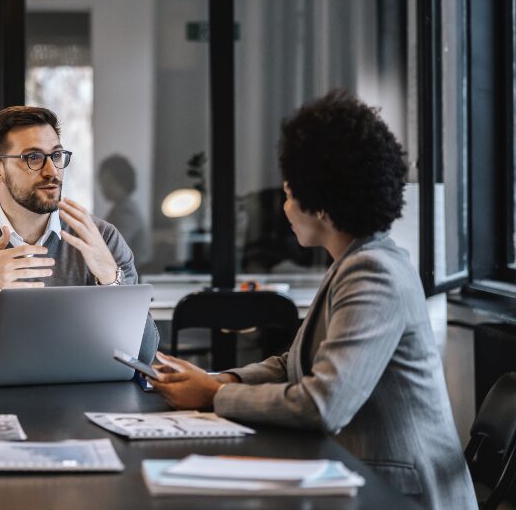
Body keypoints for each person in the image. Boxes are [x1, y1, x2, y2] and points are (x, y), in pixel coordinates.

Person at [147, 90, 476, 509]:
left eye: (289, 193)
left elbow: (324, 403)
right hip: (364, 478)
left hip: (403, 495)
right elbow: (294, 363)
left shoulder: (373, 272)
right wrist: (220, 380)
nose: (285, 208)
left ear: (320, 202)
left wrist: (212, 396)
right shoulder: (352, 262)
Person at [0, 106, 158, 368]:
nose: (52, 171)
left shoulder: (102, 238)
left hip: (82, 391)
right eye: (33, 157)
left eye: (56, 155)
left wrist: (111, 279)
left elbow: (144, 356)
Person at [98, 154, 150, 265]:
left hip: (132, 273)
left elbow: (112, 247)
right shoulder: (119, 208)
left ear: (122, 182)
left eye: (108, 182)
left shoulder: (127, 211)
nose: (103, 187)